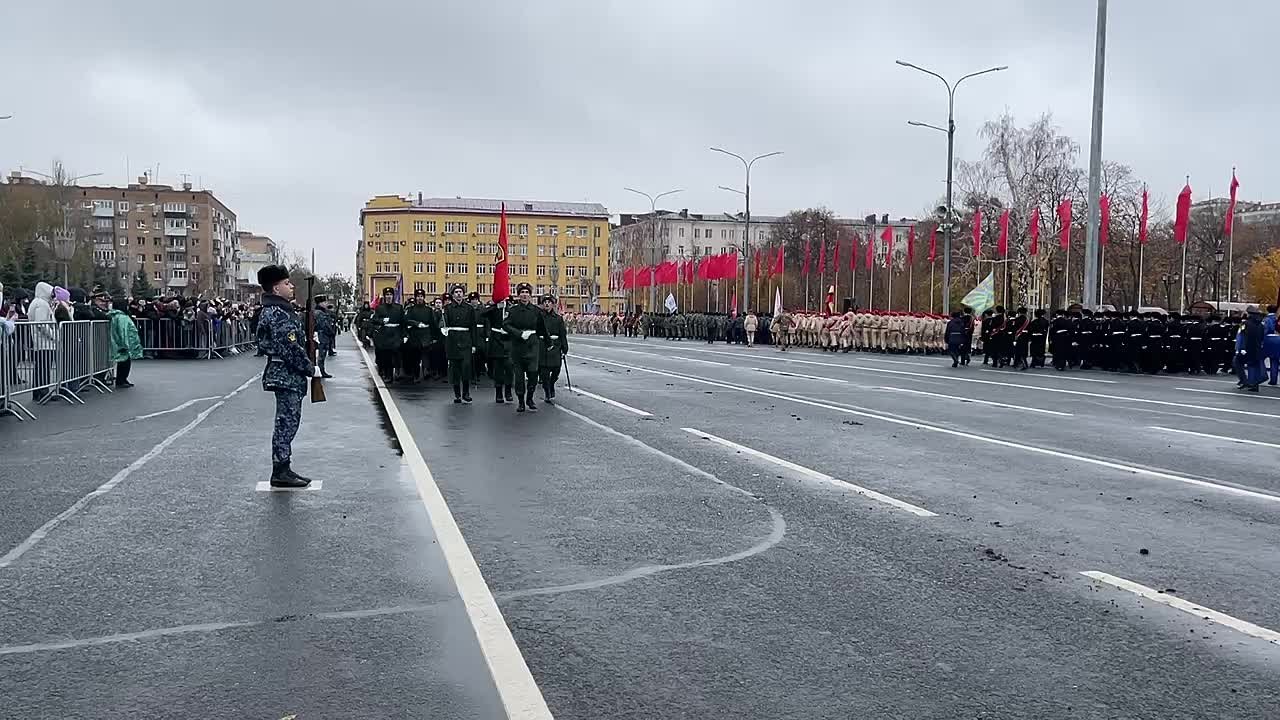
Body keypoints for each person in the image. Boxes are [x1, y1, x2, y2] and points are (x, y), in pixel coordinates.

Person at [255, 264, 317, 488]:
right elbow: (289, 348)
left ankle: (284, 467)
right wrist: (310, 368)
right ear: (275, 288)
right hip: (285, 374)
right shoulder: (277, 313)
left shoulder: (281, 311)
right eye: (286, 283)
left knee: (289, 421)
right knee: (286, 422)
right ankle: (280, 470)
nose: (291, 286)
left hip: (288, 374)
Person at [503, 282, 548, 412]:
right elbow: (505, 325)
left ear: (530, 295)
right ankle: (521, 401)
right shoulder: (513, 310)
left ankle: (530, 398)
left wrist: (548, 343)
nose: (524, 295)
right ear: (518, 295)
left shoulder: (536, 311)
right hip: (518, 346)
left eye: (527, 292)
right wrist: (519, 333)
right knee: (519, 377)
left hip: (532, 346)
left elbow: (542, 328)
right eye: (522, 292)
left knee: (533, 374)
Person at [441, 284, 477, 403]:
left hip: (466, 340)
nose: (458, 294)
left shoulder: (469, 308)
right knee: (455, 368)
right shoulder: (447, 308)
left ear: (463, 294)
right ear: (452, 294)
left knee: (466, 367)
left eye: (460, 292)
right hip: (453, 340)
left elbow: (473, 327)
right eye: (456, 292)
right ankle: (457, 394)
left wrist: (474, 344)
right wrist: (443, 329)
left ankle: (466, 393)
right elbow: (443, 322)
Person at [539, 294, 569, 403]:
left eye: (549, 302)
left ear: (552, 304)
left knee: (556, 370)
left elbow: (562, 334)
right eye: (545, 302)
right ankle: (547, 390)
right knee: (544, 372)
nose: (547, 304)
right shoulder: (539, 317)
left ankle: (552, 384)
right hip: (542, 346)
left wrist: (564, 348)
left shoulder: (558, 318)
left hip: (555, 346)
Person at [107, 298, 143, 388]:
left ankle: (122, 379)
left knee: (123, 361)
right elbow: (123, 331)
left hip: (120, 342)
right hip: (124, 343)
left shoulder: (116, 316)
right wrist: (125, 343)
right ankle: (121, 380)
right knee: (125, 362)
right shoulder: (121, 317)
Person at [371, 287, 404, 382]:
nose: (389, 297)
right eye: (387, 295)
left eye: (390, 295)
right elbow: (374, 320)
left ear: (393, 296)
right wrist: (381, 321)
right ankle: (388, 375)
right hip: (385, 334)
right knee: (387, 356)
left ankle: (398, 371)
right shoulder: (380, 308)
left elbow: (403, 322)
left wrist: (404, 335)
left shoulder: (398, 307)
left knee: (397, 354)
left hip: (396, 333)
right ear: (384, 296)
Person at [486, 297, 515, 403]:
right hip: (497, 341)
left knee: (509, 368)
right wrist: (494, 305)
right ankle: (498, 392)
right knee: (498, 369)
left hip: (509, 341)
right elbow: (482, 313)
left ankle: (508, 391)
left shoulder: (512, 309)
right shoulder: (494, 309)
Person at [402, 288, 435, 383]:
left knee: (425, 355)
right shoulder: (411, 309)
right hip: (415, 335)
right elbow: (406, 320)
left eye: (421, 296)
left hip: (426, 335)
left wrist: (433, 337)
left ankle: (426, 371)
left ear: (424, 297)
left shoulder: (429, 310)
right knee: (415, 358)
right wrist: (416, 324)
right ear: (415, 297)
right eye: (418, 296)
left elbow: (433, 324)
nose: (419, 298)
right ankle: (416, 375)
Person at [1239, 305, 1265, 392]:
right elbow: (1262, 337)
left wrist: (1242, 348)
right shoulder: (1261, 324)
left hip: (1247, 347)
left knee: (1248, 365)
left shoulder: (1245, 324)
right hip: (1257, 347)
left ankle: (1250, 382)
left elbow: (1242, 336)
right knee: (1256, 365)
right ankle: (1255, 384)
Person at [314, 294, 337, 378]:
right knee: (321, 355)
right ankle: (321, 371)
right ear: (320, 303)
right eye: (324, 302)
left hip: (322, 335)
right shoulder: (319, 313)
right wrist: (331, 332)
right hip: (322, 336)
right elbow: (324, 325)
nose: (326, 303)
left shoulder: (322, 312)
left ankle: (321, 370)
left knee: (322, 354)